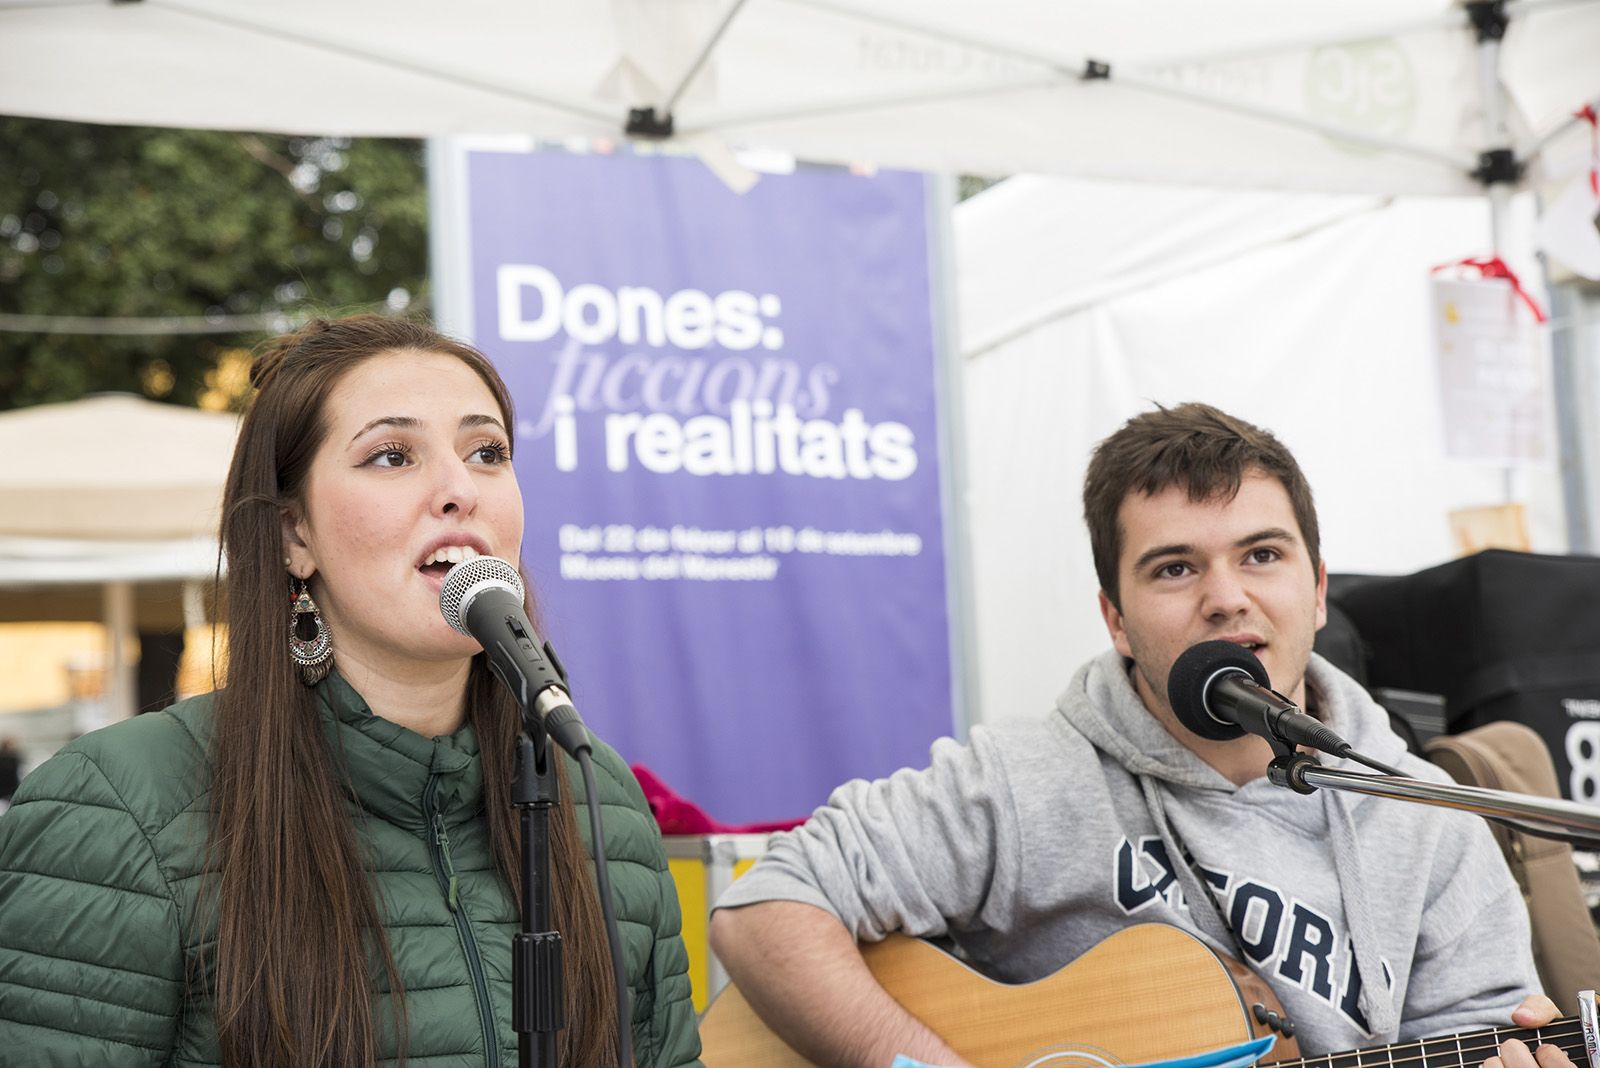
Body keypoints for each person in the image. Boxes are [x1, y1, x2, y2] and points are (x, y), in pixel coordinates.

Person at [710, 403, 1567, 1068]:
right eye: (1176, 567)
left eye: (1262, 554)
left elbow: (1482, 1033)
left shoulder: (1430, 818)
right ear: (1115, 619)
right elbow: (763, 913)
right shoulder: (1022, 779)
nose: (1227, 597)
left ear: (1317, 588)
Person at [0, 316, 702, 1067]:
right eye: (393, 455)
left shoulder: (601, 800)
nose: (460, 490)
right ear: (291, 536)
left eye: (487, 452)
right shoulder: (116, 810)